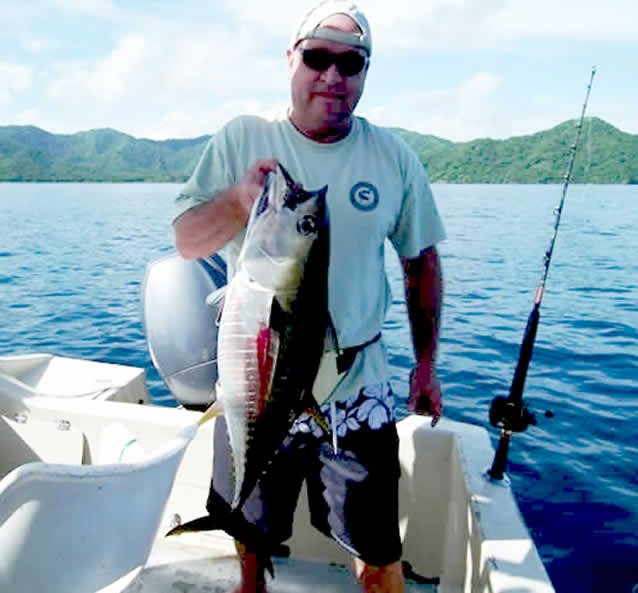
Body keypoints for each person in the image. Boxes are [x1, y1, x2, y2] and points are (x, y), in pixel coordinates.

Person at [172, 2, 446, 592]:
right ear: (289, 60)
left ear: (366, 73)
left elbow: (420, 261)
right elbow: (188, 243)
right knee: (250, 536)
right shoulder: (244, 138)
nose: (333, 76)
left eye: (352, 63)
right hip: (256, 378)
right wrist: (237, 204)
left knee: (376, 545)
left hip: (358, 386)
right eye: (317, 58)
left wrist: (426, 365)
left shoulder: (393, 156)